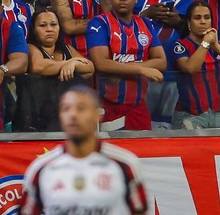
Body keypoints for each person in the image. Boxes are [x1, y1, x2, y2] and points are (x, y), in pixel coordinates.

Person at [20, 85, 148, 215]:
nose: (73, 115)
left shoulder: (124, 165)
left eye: (81, 108)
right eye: (66, 109)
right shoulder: (41, 168)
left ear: (98, 115)